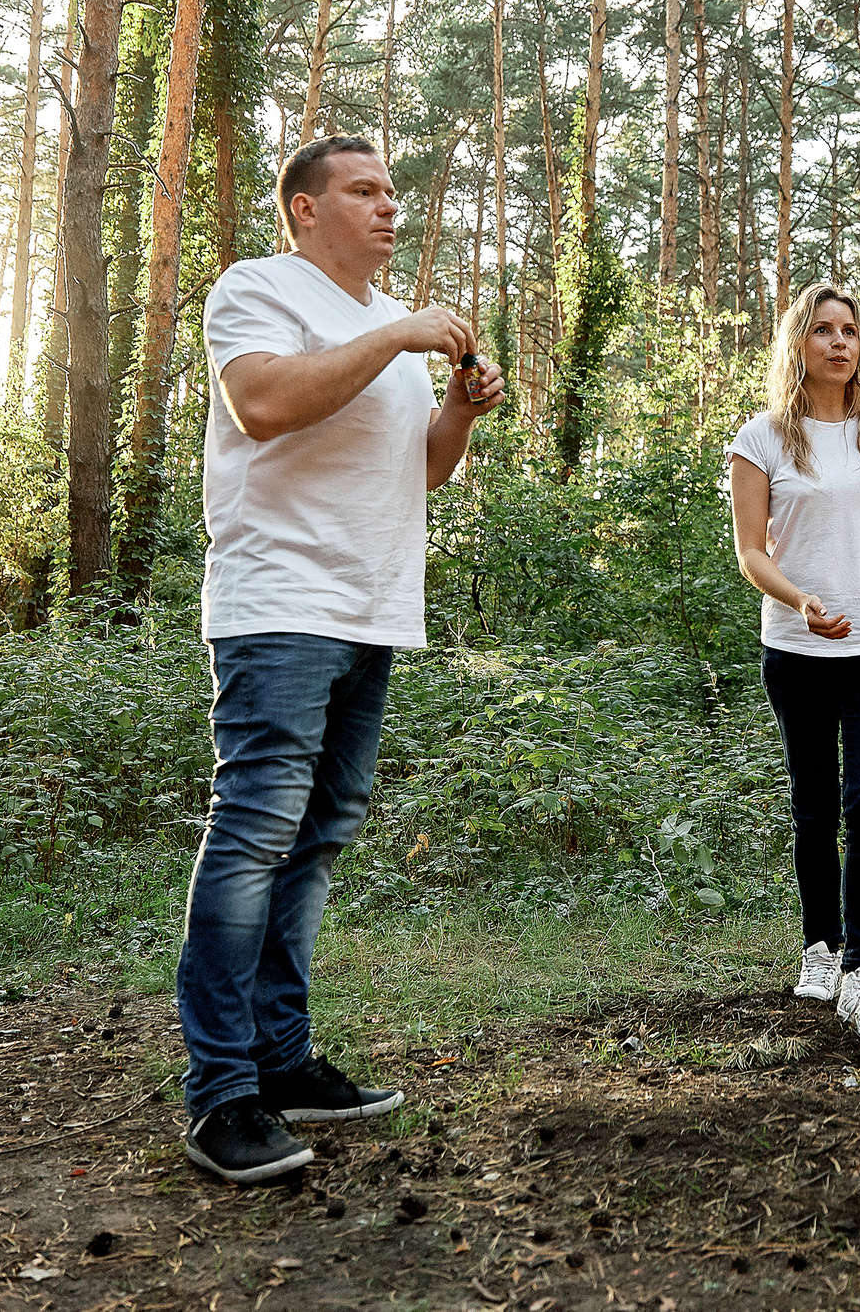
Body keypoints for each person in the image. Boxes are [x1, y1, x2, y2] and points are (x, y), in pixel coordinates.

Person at [176, 133, 507, 1184]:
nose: (388, 207)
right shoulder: (259, 288)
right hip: (279, 604)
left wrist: (454, 407)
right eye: (363, 191)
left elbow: (420, 474)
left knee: (316, 840)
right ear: (305, 210)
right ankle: (220, 1094)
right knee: (254, 836)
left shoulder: (381, 328)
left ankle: (282, 1061)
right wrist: (402, 334)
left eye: (393, 192)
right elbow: (262, 405)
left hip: (372, 611)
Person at [725, 283, 860, 1042]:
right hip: (796, 647)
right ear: (800, 344)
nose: (839, 342)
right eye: (823, 329)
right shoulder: (761, 438)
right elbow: (752, 552)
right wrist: (802, 601)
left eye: (849, 329)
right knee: (814, 806)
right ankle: (821, 948)